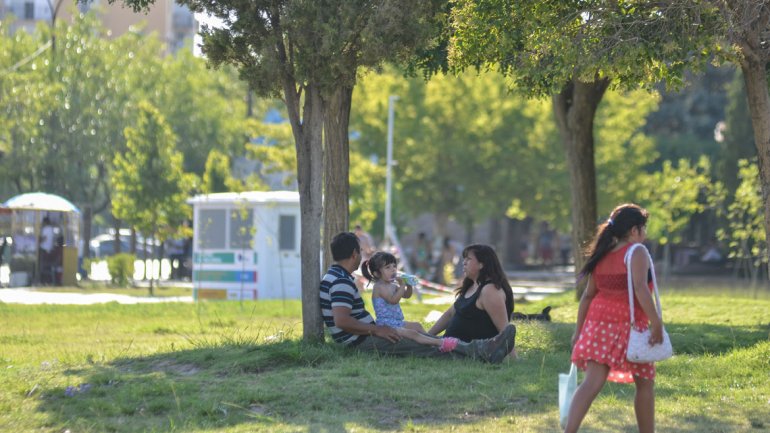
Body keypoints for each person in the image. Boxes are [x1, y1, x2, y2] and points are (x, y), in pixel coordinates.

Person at [319, 232, 516, 362]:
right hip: (362, 340)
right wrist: (378, 330)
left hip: (366, 335)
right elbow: (342, 320)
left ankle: (478, 348)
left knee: (422, 339)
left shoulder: (336, 276)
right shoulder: (341, 282)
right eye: (360, 251)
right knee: (425, 348)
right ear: (354, 253)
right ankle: (481, 351)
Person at [564, 204, 664, 433]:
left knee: (590, 383)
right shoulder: (635, 252)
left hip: (597, 321)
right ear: (634, 230)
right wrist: (656, 322)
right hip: (627, 323)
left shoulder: (602, 253)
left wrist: (578, 332)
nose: (645, 233)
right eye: (644, 228)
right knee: (645, 383)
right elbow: (640, 289)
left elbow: (588, 296)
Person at [362, 251, 459, 352]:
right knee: (412, 333)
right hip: (386, 325)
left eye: (394, 266)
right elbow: (393, 300)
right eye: (388, 268)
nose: (393, 270)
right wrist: (402, 285)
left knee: (417, 325)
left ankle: (432, 341)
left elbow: (407, 295)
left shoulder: (393, 285)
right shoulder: (379, 287)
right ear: (377, 273)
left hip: (397, 322)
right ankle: (440, 343)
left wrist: (409, 285)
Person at [428, 244, 515, 344]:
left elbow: (504, 330)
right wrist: (428, 336)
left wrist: (512, 357)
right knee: (413, 330)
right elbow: (450, 314)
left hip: (467, 351)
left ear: (482, 264)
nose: (464, 262)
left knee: (410, 338)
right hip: (446, 345)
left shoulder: (490, 290)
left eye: (468, 259)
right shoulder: (471, 285)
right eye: (464, 259)